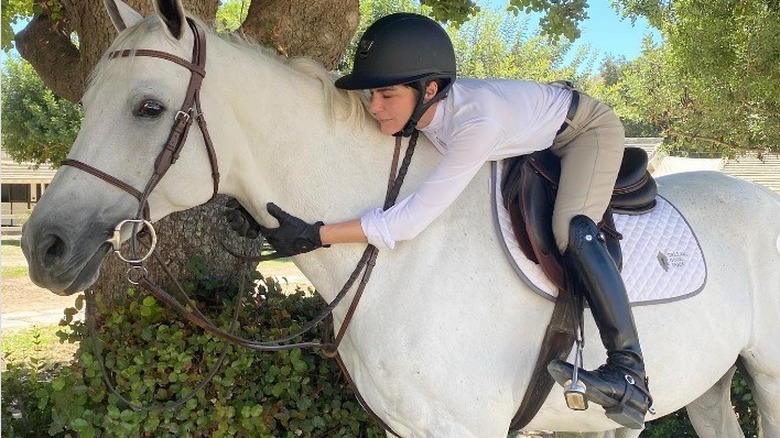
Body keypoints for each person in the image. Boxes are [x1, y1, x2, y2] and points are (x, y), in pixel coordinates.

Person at [231, 12, 652, 428]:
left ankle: (628, 370)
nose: (374, 107)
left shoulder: (476, 125)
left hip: (584, 131)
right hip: (533, 125)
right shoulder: (421, 105)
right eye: (371, 94)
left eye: (386, 96)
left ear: (429, 89)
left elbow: (406, 223)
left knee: (573, 230)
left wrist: (316, 234)